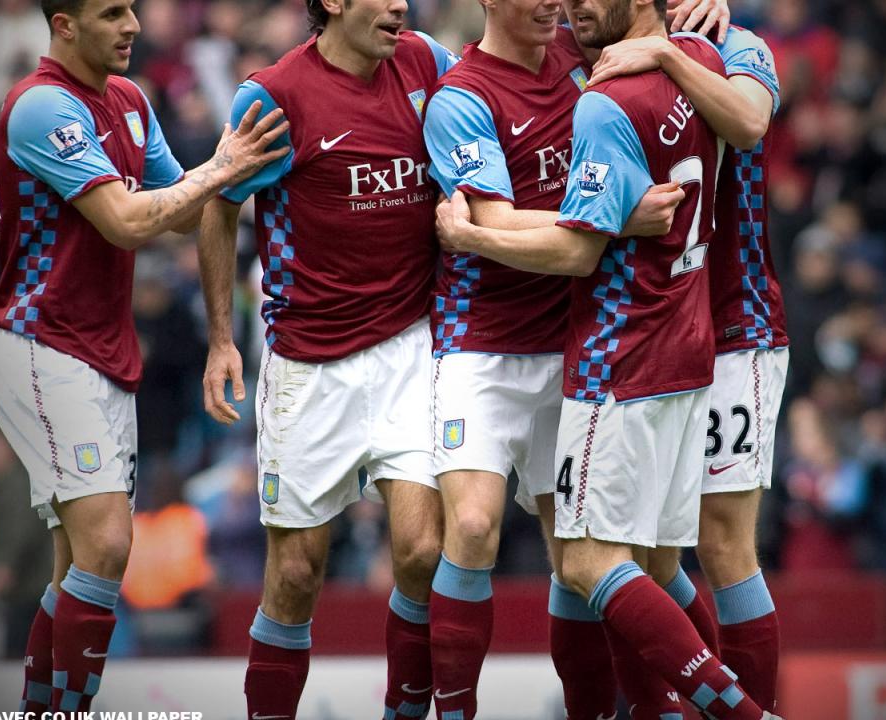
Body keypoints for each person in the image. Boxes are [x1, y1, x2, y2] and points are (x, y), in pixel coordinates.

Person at [435, 0, 778, 717]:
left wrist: (471, 238)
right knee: (642, 560)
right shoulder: (648, 58)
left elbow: (581, 247)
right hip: (675, 339)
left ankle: (746, 712)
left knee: (611, 557)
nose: (569, 5)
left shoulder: (684, 61)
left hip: (649, 342)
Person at [0, 0, 288, 712]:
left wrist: (234, 177)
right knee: (110, 543)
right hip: (41, 344)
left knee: (80, 564)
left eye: (132, 9)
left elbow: (183, 209)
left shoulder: (127, 100)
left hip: (102, 352)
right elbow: (125, 221)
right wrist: (222, 167)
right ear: (64, 24)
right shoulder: (40, 107)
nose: (132, 26)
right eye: (112, 12)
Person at [194, 0, 458, 715]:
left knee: (422, 553)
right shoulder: (274, 95)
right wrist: (221, 337)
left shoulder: (426, 62)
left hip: (412, 346)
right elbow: (218, 204)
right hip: (308, 364)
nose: (401, 5)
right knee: (296, 574)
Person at [589, 13, 788, 711]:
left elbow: (750, 123)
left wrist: (669, 58)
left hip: (736, 323)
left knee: (723, 539)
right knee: (641, 550)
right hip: (656, 330)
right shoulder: (602, 50)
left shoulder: (740, 45)